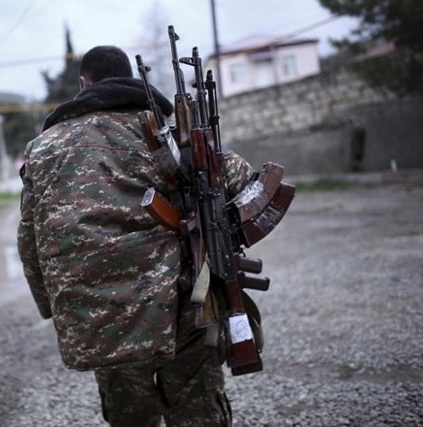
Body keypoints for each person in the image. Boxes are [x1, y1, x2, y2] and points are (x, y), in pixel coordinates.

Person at [17, 45, 256, 426]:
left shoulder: (43, 149)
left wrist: (55, 307)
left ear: (83, 83)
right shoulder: (168, 128)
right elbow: (246, 184)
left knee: (131, 417)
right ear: (128, 77)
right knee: (198, 413)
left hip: (99, 319)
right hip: (182, 306)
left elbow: (29, 242)